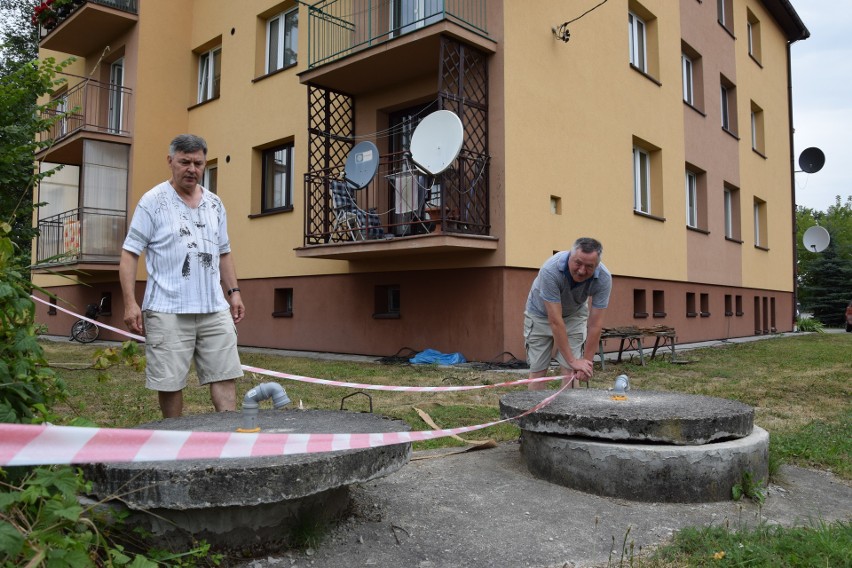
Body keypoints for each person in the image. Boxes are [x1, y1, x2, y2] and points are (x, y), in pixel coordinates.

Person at [119, 134, 245, 418]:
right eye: (184, 162)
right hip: (168, 310)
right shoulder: (152, 202)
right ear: (170, 161)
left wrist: (234, 292)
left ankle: (229, 440)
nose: (192, 168)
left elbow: (224, 252)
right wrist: (130, 303)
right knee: (171, 383)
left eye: (198, 163)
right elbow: (129, 254)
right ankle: (174, 441)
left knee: (225, 374)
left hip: (214, 308)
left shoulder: (215, 204)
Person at [524, 237, 611, 390]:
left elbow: (596, 324)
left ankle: (568, 413)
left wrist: (586, 363)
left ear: (597, 266)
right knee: (538, 371)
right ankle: (536, 412)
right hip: (540, 315)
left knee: (571, 372)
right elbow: (556, 321)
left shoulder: (603, 278)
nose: (582, 270)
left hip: (574, 314)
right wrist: (573, 360)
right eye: (578, 263)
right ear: (570, 256)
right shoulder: (550, 270)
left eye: (589, 266)